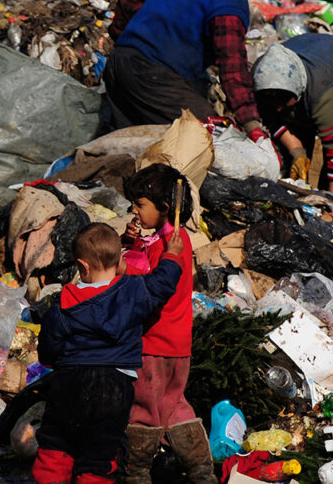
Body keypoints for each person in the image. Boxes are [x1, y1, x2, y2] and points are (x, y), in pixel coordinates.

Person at [104, 0, 302, 145]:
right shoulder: (230, 0)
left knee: (127, 153)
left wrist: (123, 41)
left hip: (118, 67)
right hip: (152, 78)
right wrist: (252, 126)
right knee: (211, 141)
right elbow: (232, 68)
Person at [35, 223, 184, 484]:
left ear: (82, 266)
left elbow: (47, 350)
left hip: (68, 383)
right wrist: (171, 255)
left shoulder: (62, 304)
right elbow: (163, 283)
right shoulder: (133, 291)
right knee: (101, 451)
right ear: (119, 262)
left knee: (56, 441)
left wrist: (55, 363)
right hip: (114, 387)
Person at [120, 164, 214, 484]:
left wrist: (126, 256)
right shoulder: (179, 239)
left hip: (153, 344)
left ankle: (137, 474)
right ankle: (203, 472)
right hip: (179, 344)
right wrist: (134, 242)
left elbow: (144, 285)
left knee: (144, 410)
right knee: (174, 407)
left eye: (139, 204)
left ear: (164, 208)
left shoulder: (167, 246)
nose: (134, 210)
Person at [253, 34, 333, 197]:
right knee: (291, 163)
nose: (278, 108)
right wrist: (297, 151)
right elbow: (271, 119)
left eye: (283, 100)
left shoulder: (323, 94)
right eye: (272, 100)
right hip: (314, 59)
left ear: (298, 91)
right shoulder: (262, 79)